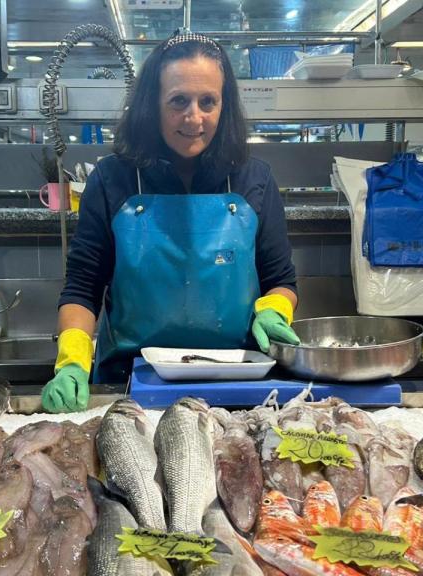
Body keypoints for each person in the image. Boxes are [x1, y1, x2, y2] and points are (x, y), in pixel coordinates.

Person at [41, 31, 300, 413]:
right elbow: (83, 288)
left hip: (237, 384)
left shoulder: (253, 179)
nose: (194, 118)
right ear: (152, 106)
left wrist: (275, 309)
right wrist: (73, 361)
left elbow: (281, 279)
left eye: (207, 101)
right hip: (129, 386)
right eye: (178, 101)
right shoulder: (113, 180)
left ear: (224, 106)